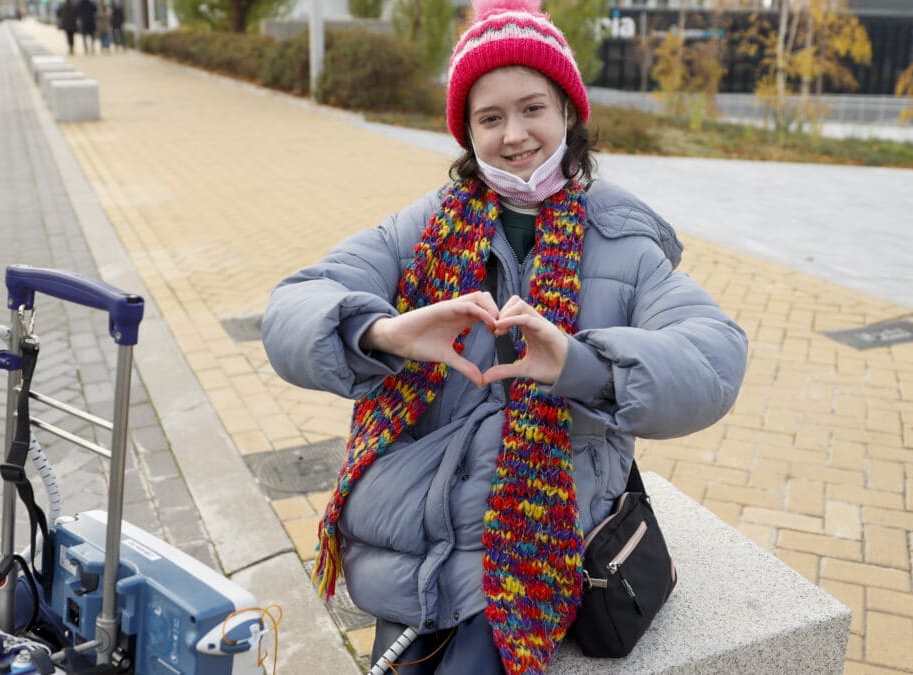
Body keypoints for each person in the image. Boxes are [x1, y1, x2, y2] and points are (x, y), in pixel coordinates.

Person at [260, 0, 748, 672]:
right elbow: (292, 304)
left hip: (534, 546)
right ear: (467, 132)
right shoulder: (426, 228)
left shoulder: (624, 241)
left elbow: (715, 356)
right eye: (490, 117)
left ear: (569, 113)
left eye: (533, 108)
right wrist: (383, 332)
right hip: (412, 541)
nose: (514, 134)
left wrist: (584, 365)